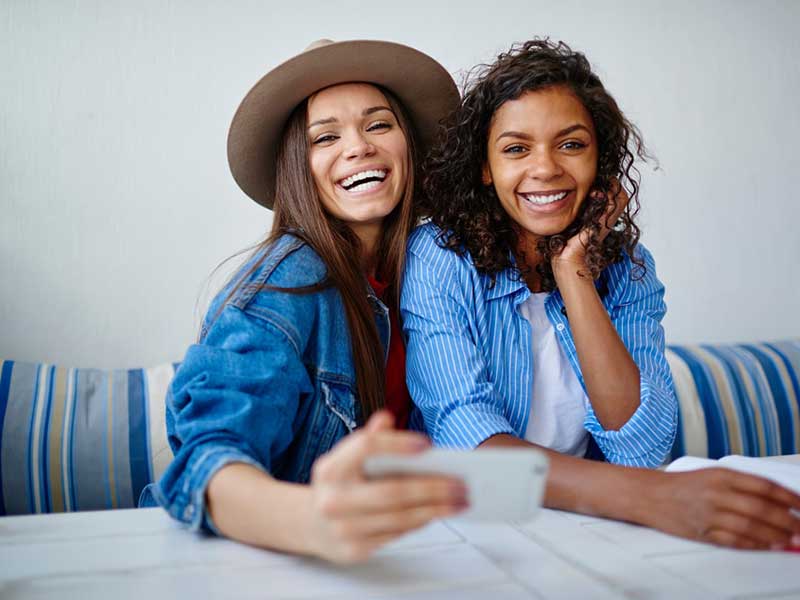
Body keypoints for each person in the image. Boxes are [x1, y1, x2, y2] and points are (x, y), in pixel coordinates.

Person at [403, 39, 800, 550]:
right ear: (485, 167)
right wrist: (649, 497)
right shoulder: (440, 255)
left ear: (600, 158)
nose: (545, 168)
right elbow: (467, 444)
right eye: (516, 148)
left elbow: (639, 447)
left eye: (571, 144)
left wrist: (573, 273)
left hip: (585, 525)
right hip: (471, 524)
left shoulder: (628, 267)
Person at [140, 39, 467, 564]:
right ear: (299, 166)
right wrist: (312, 519)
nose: (358, 147)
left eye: (379, 124)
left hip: (401, 556)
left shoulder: (431, 275)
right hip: (252, 563)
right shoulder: (287, 281)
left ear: (409, 146)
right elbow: (209, 459)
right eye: (326, 137)